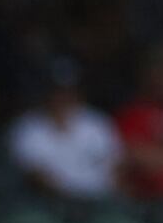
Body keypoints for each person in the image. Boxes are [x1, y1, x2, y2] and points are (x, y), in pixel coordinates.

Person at [8, 61, 122, 202]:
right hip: (50, 204)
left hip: (99, 202)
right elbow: (36, 176)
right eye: (58, 91)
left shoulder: (97, 123)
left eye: (69, 91)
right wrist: (70, 197)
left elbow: (116, 167)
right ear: (46, 93)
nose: (63, 97)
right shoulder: (28, 127)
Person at [116, 41, 163, 203]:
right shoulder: (134, 113)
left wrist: (158, 156)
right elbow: (134, 155)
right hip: (144, 204)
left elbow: (149, 157)